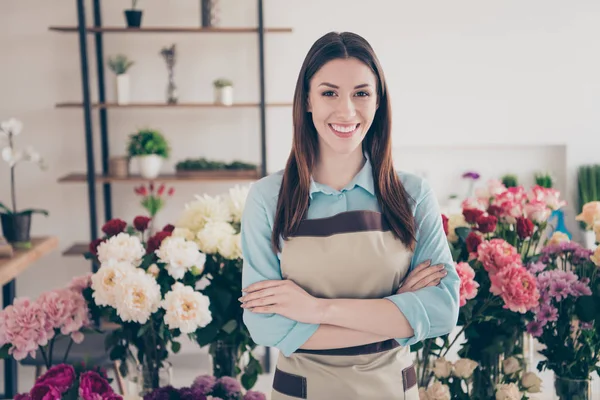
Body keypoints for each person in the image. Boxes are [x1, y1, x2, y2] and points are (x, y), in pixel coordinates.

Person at [238, 31, 460, 400]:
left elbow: (441, 311)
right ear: (307, 100)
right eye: (329, 93)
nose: (346, 111)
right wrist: (398, 311)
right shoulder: (268, 198)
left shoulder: (413, 195)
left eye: (361, 93)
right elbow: (266, 326)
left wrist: (314, 309)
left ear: (378, 101)